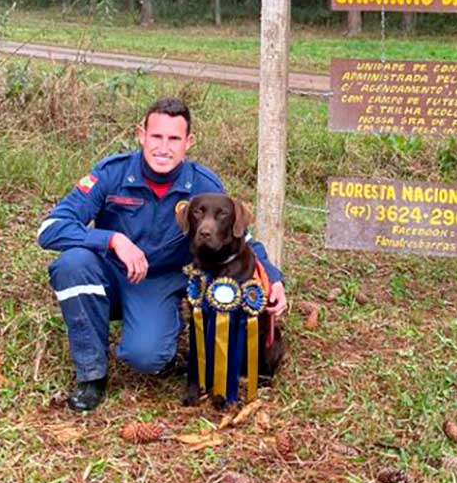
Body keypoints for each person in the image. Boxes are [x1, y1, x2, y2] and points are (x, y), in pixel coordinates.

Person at [37, 97, 287, 412]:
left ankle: (154, 335)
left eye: (174, 139)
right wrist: (113, 240)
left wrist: (273, 279)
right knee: (72, 263)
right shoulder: (111, 174)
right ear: (141, 134)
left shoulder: (203, 185)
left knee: (146, 356)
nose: (163, 148)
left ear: (188, 142)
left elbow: (243, 239)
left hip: (158, 284)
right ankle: (91, 376)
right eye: (156, 137)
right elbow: (50, 228)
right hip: (110, 275)